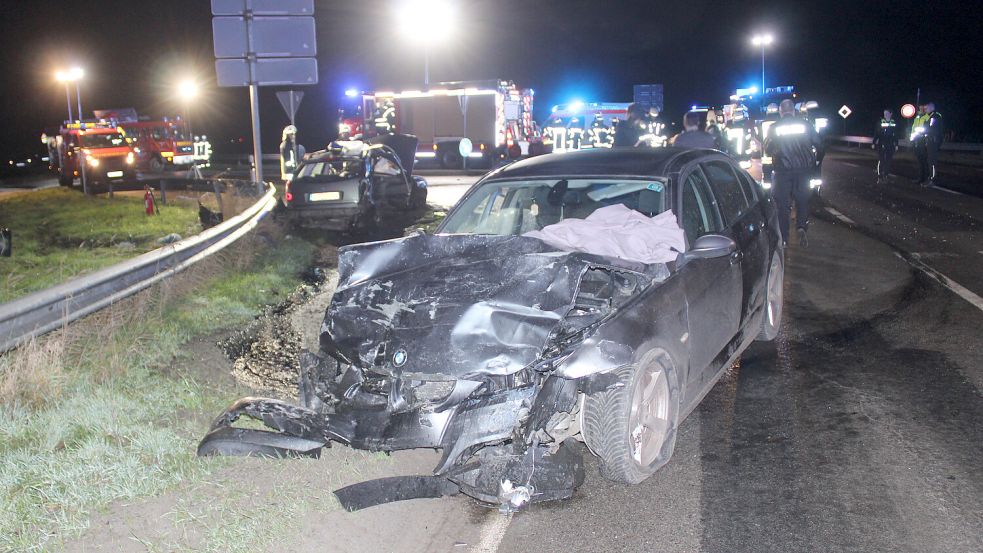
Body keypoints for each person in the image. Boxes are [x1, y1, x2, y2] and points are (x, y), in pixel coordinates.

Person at [764, 99, 824, 247]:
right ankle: (801, 227)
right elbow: (820, 145)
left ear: (780, 111)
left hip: (782, 172)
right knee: (802, 201)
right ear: (793, 111)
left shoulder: (774, 128)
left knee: (783, 206)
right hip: (804, 171)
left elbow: (768, 149)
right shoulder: (805, 125)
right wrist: (816, 162)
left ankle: (784, 238)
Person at [872, 109, 899, 182]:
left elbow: (896, 134)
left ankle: (886, 174)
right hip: (881, 143)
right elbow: (876, 133)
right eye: (884, 113)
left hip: (890, 144)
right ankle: (879, 174)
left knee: (888, 160)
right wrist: (874, 142)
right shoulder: (880, 122)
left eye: (887, 113)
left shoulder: (893, 122)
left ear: (891, 114)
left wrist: (896, 144)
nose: (885, 115)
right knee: (881, 160)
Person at [921, 102, 943, 186]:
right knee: (929, 160)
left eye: (926, 108)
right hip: (930, 140)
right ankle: (930, 178)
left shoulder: (935, 116)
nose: (925, 110)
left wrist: (923, 132)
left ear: (931, 108)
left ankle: (932, 179)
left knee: (932, 161)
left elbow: (931, 128)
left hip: (933, 141)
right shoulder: (931, 116)